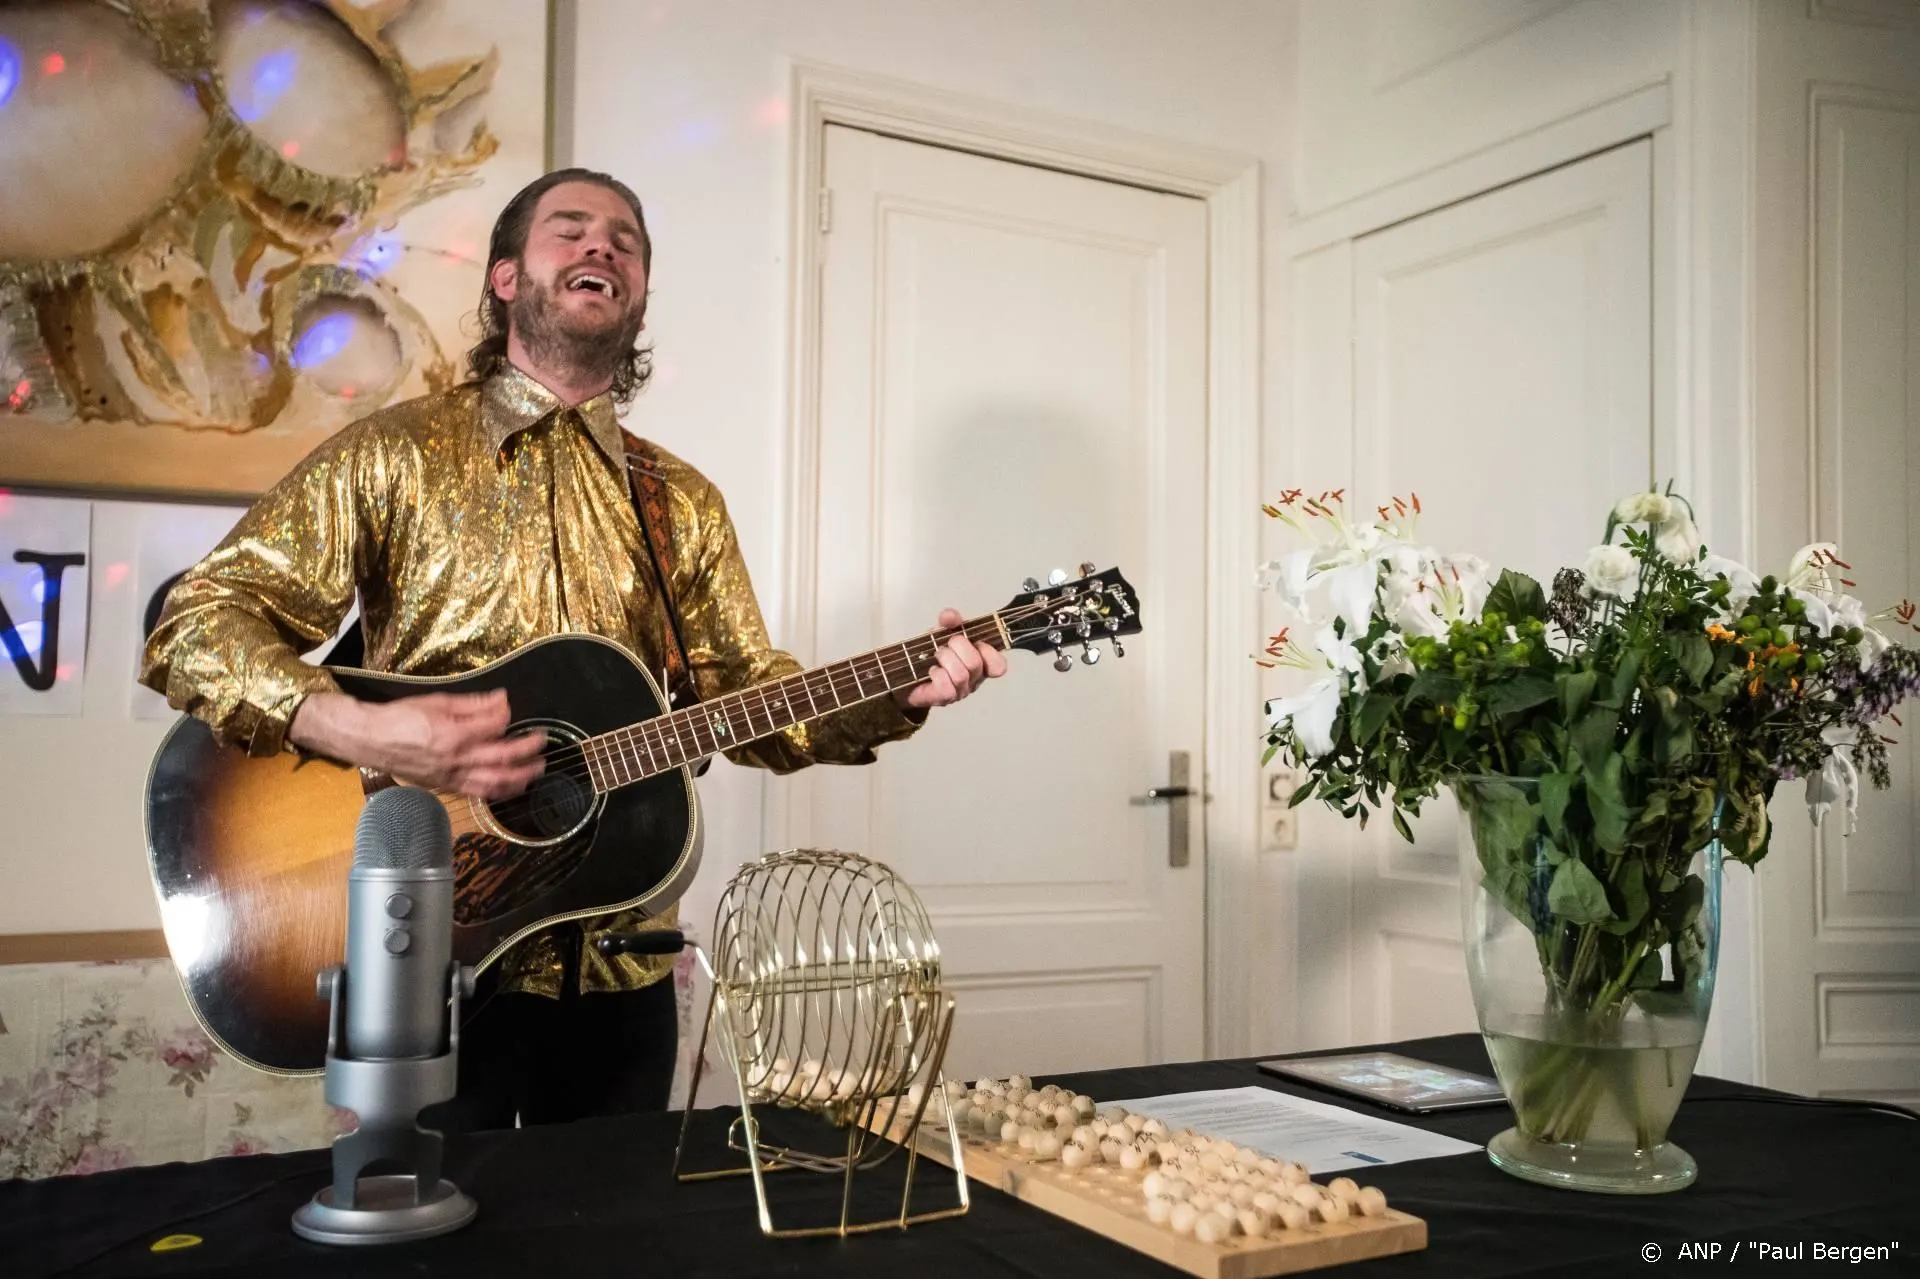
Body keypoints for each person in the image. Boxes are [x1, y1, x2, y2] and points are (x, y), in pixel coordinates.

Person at [140, 167, 1006, 1129]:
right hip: (427, 957)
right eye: (572, 230)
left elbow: (753, 701)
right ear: (508, 278)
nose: (603, 247)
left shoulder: (680, 502)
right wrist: (361, 733)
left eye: (625, 241)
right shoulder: (390, 453)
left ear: (636, 294)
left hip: (621, 971)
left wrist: (903, 690)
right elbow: (197, 622)